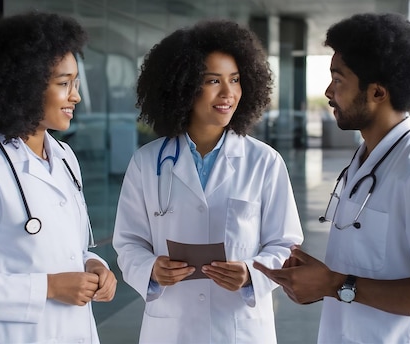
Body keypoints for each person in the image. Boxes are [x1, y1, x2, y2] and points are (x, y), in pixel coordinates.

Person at [254, 12, 410, 343]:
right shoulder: (365, 158)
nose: (328, 91)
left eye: (338, 80)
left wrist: (332, 284)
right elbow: (361, 271)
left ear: (377, 93)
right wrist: (318, 280)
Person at [112, 20, 304, 344]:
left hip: (239, 327)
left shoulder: (264, 161)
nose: (228, 93)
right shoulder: (146, 163)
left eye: (236, 80)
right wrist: (151, 269)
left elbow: (285, 243)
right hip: (172, 327)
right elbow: (128, 242)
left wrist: (251, 273)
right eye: (213, 80)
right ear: (184, 86)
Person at [0, 11, 117, 343]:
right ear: (26, 87)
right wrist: (48, 287)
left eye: (75, 82)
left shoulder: (64, 158)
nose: (75, 95)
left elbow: (67, 249)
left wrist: (94, 266)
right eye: (64, 84)